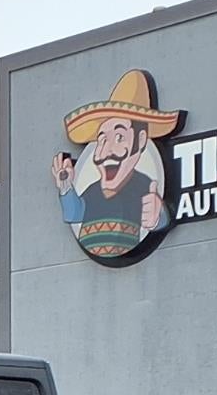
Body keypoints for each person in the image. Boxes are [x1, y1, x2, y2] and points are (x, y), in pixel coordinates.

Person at [52, 70, 181, 259]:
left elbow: (154, 215)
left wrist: (159, 217)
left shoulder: (143, 187)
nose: (106, 152)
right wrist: (66, 187)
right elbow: (75, 214)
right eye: (102, 140)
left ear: (141, 140)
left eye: (119, 137)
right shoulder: (92, 190)